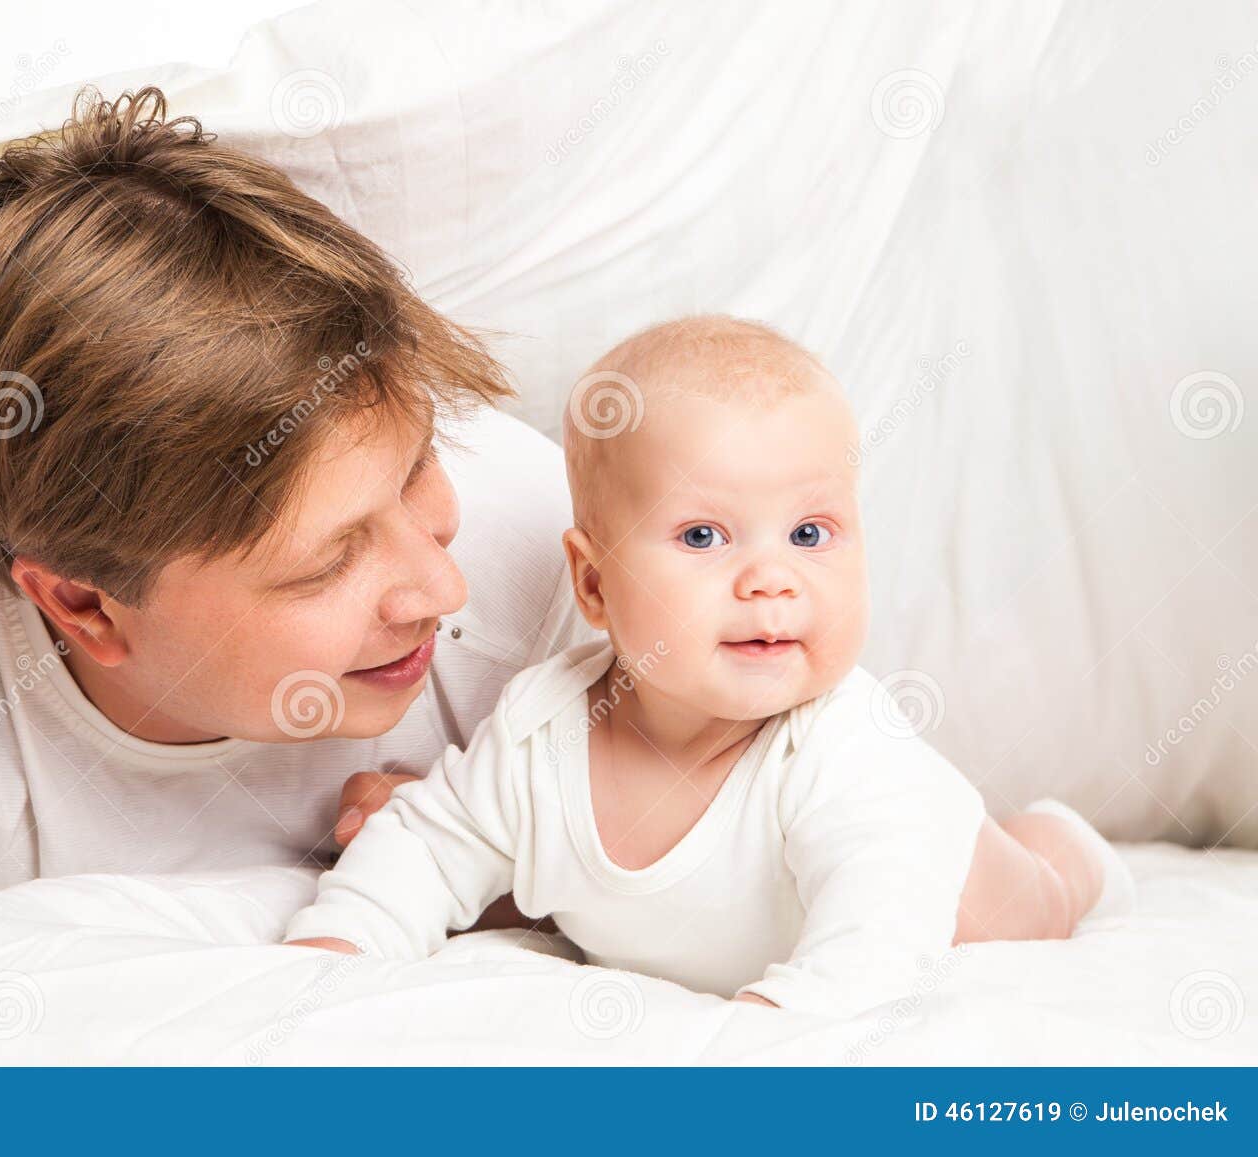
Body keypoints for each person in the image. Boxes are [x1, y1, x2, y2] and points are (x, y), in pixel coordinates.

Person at [0, 87, 594, 926]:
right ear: (83, 606)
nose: (441, 583)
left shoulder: (540, 536)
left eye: (419, 464)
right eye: (327, 561)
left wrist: (552, 870)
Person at [284, 316, 1135, 1017]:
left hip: (952, 891)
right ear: (594, 581)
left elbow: (872, 946)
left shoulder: (846, 752)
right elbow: (432, 844)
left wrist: (772, 1025)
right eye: (702, 535)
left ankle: (1067, 846)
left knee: (1042, 896)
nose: (772, 576)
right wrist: (345, 942)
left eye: (810, 533)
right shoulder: (542, 727)